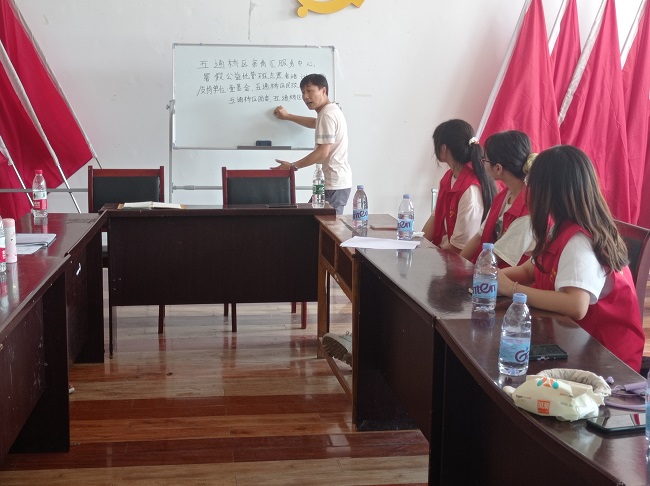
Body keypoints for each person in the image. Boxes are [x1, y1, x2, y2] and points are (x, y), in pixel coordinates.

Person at [497, 145, 644, 371]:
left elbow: (576, 305)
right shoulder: (561, 228)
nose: (528, 191)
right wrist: (493, 277)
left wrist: (513, 289)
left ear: (549, 192)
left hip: (604, 362)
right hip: (573, 343)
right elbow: (530, 270)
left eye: (531, 185)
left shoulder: (580, 242)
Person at [272, 74, 352, 214]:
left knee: (322, 225)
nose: (305, 96)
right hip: (334, 183)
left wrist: (293, 166)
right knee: (312, 221)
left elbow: (322, 152)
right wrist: (288, 116)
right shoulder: (330, 110)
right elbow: (314, 123)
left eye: (310, 91)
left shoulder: (326, 114)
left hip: (333, 184)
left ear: (323, 90)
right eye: (303, 92)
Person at [460, 130, 535, 267]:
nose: (483, 164)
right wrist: (457, 264)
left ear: (498, 168)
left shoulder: (529, 210)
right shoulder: (503, 196)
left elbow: (497, 257)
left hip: (507, 277)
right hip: (490, 271)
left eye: (485, 160)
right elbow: (479, 236)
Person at [422, 119, 496, 253]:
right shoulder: (449, 177)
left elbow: (459, 248)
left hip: (461, 260)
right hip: (445, 253)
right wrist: (418, 247)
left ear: (443, 148)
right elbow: (435, 217)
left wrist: (428, 254)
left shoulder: (470, 190)